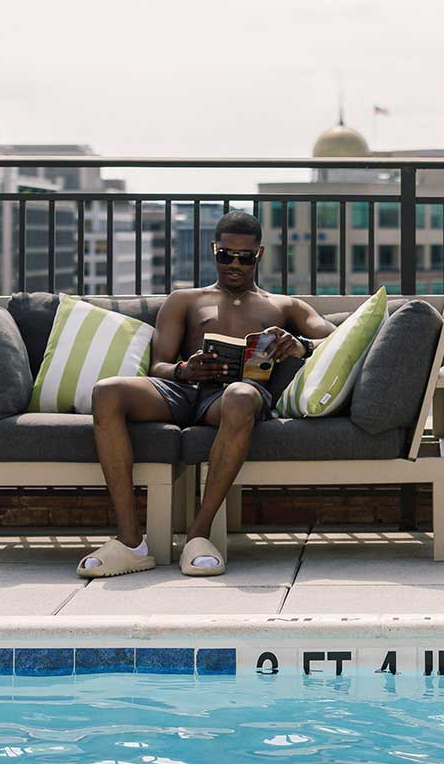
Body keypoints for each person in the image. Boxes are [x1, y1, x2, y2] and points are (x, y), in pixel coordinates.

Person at [77, 210, 338, 579]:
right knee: (107, 392)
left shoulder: (284, 305)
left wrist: (300, 345)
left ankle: (198, 536)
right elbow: (159, 367)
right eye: (224, 254)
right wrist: (185, 370)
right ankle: (131, 542)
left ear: (259, 255)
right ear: (213, 250)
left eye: (244, 257)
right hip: (183, 389)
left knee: (241, 396)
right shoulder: (184, 300)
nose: (233, 264)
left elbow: (336, 337)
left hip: (233, 399)